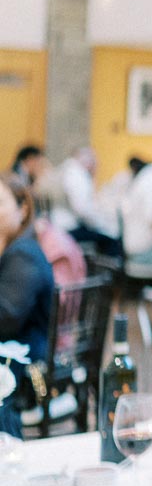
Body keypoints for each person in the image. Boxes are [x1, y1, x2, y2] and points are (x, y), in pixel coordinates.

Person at [0, 175, 55, 438]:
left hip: (25, 358)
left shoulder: (23, 254)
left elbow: (5, 319)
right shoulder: (12, 249)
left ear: (23, 210)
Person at [48, 147, 120, 255]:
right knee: (112, 236)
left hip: (59, 224)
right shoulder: (77, 174)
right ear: (89, 162)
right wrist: (101, 224)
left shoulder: (67, 169)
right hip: (68, 227)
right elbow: (82, 210)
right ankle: (110, 268)